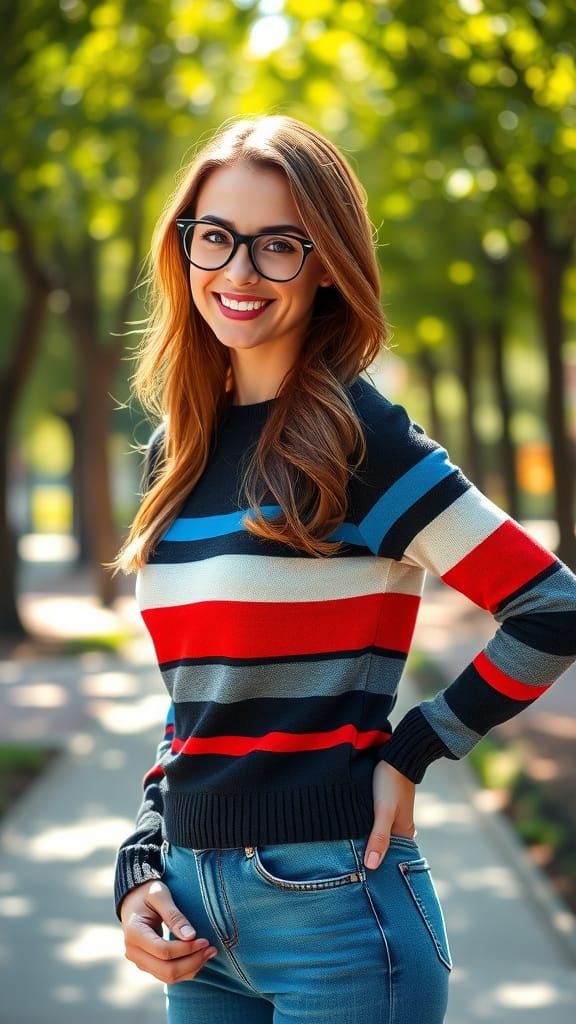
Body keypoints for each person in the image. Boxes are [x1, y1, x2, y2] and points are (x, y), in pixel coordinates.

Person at [110, 115, 576, 1024]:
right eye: (216, 237)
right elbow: (196, 699)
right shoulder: (177, 450)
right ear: (184, 248)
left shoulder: (358, 442)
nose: (239, 271)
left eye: (278, 244)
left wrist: (415, 749)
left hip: (335, 912)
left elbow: (552, 609)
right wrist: (139, 862)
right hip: (192, 923)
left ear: (327, 263)